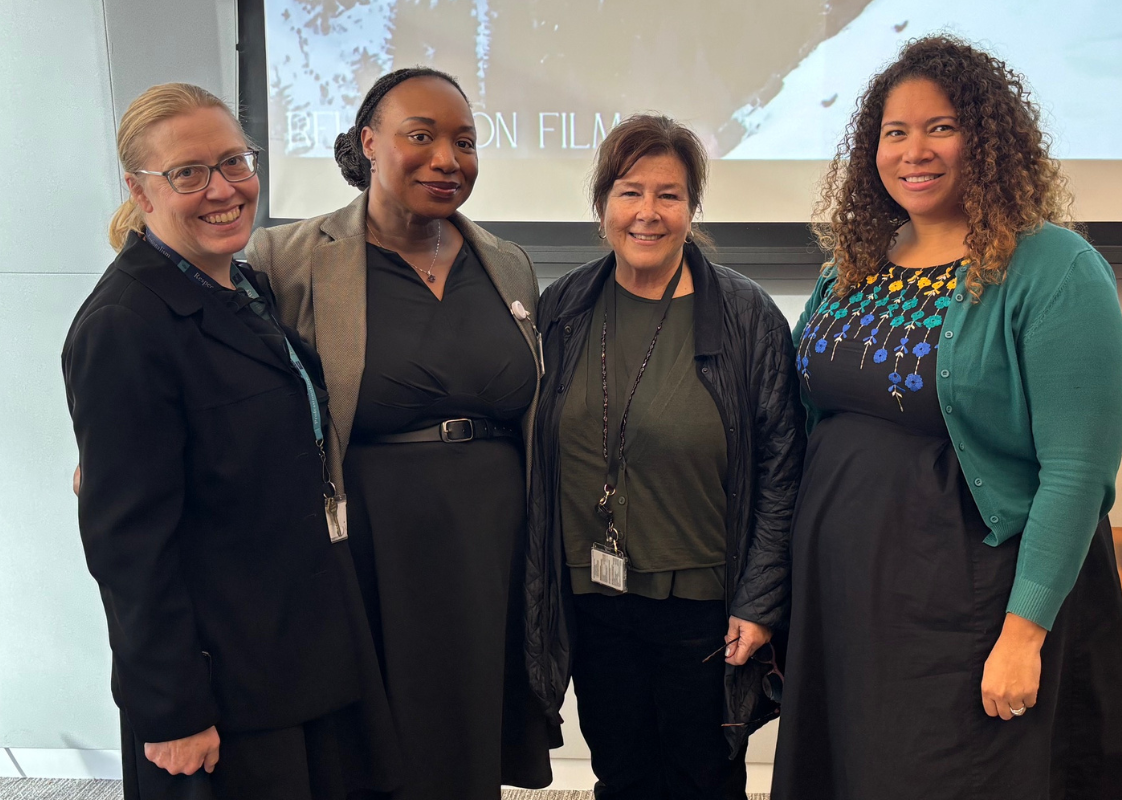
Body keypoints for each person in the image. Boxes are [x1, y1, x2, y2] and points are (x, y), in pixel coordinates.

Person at [770, 36, 1122, 799]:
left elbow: (1077, 473)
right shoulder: (853, 265)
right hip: (847, 596)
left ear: (988, 137)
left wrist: (1024, 631)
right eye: (894, 132)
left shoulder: (1055, 268)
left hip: (968, 607)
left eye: (940, 127)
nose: (915, 150)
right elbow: (811, 422)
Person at [63, 83, 401, 800]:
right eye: (188, 172)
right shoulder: (124, 326)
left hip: (295, 651)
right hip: (222, 689)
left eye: (234, 163)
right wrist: (172, 710)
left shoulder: (242, 287)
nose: (222, 189)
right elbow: (128, 547)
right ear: (139, 189)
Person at [246, 67, 553, 800]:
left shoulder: (506, 262)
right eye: (422, 136)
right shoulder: (286, 260)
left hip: (493, 543)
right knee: (378, 749)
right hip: (375, 544)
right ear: (369, 144)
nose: (448, 158)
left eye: (466, 142)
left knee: (472, 728)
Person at [525, 114, 803, 799]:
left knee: (702, 777)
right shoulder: (563, 308)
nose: (647, 213)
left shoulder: (747, 316)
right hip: (593, 598)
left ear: (692, 208)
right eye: (628, 191)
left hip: (705, 607)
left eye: (669, 194)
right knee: (620, 774)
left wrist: (761, 598)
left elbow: (780, 468)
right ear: (601, 205)